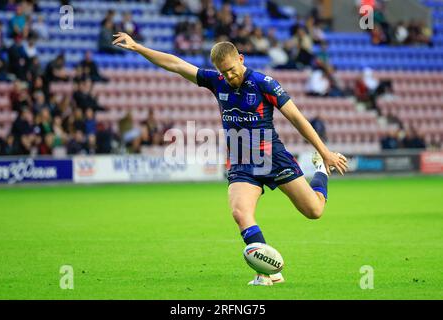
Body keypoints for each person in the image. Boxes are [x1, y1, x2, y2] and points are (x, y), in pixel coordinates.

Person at [112, 32, 348, 286]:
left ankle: (320, 171)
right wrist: (137, 47)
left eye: (233, 70)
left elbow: (297, 118)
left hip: (273, 157)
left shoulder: (263, 83)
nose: (230, 76)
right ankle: (267, 272)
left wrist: (325, 152)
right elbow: (177, 64)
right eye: (224, 72)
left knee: (314, 211)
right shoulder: (217, 82)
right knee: (240, 213)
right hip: (241, 163)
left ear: (241, 59)